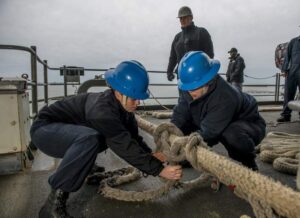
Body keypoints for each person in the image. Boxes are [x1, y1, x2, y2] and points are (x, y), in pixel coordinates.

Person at [30, 61, 182, 218]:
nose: (137, 103)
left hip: (68, 132)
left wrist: (151, 156)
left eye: (139, 98)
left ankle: (85, 167)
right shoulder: (102, 111)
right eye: (133, 98)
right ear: (117, 92)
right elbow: (124, 146)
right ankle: (52, 205)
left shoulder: (124, 111)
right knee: (91, 138)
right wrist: (160, 170)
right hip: (45, 130)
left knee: (100, 136)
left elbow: (132, 139)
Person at [170, 51, 266, 170]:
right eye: (187, 88)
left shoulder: (226, 97)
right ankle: (189, 158)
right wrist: (170, 131)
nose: (190, 92)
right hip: (215, 118)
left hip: (248, 123)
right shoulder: (190, 84)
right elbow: (181, 112)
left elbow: (208, 133)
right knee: (183, 124)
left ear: (208, 81)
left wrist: (187, 145)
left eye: (194, 87)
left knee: (231, 135)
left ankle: (249, 163)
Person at [166, 6, 214, 82]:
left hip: (199, 77)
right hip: (182, 78)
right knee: (182, 94)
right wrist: (169, 72)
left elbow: (209, 55)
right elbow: (173, 57)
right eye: (180, 18)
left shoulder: (202, 32)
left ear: (191, 17)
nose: (182, 20)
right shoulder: (177, 38)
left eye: (185, 17)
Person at [277, 35, 300, 122]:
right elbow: (287, 56)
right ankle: (286, 115)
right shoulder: (293, 41)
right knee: (288, 93)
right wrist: (284, 69)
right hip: (292, 71)